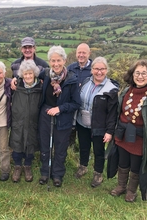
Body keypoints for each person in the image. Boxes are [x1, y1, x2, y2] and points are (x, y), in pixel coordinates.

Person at [110, 59, 147, 202]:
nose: (140, 76)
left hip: (140, 140)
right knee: (122, 163)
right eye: (137, 73)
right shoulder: (125, 92)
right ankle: (121, 186)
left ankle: (131, 191)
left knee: (135, 167)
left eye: (144, 73)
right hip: (122, 137)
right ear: (132, 74)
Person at [38, 46, 81, 187]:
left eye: (58, 60)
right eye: (53, 60)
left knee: (60, 147)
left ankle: (57, 174)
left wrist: (60, 109)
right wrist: (14, 81)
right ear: (49, 61)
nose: (56, 64)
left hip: (63, 119)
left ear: (64, 60)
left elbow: (76, 103)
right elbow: (27, 75)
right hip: (45, 116)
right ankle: (45, 172)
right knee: (45, 146)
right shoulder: (45, 74)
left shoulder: (71, 79)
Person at [74, 57, 119, 188]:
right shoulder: (86, 82)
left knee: (98, 151)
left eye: (102, 69)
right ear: (92, 69)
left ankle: (98, 174)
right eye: (96, 69)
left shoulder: (111, 89)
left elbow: (112, 113)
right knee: (83, 146)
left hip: (100, 126)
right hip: (82, 122)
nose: (99, 72)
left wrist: (110, 131)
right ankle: (83, 167)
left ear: (106, 70)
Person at [9, 60, 43, 183]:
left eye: (30, 73)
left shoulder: (40, 87)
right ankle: (17, 166)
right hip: (18, 120)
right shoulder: (16, 86)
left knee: (30, 143)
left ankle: (27, 166)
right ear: (21, 74)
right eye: (25, 74)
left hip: (33, 121)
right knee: (17, 143)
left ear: (34, 74)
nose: (28, 76)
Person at [68, 43, 93, 148]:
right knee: (71, 127)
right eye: (79, 52)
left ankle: (86, 152)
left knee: (85, 130)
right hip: (73, 104)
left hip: (87, 106)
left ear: (89, 54)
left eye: (84, 52)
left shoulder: (94, 69)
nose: (81, 55)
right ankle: (71, 150)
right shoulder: (70, 68)